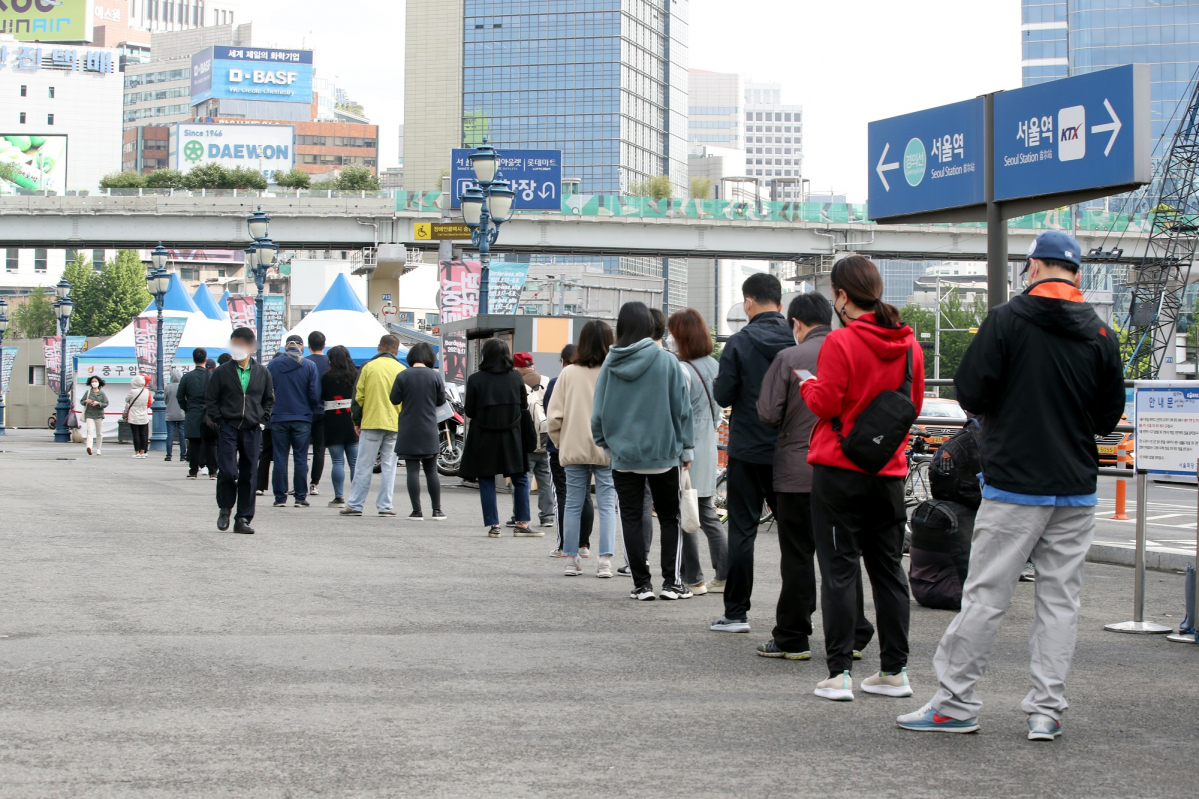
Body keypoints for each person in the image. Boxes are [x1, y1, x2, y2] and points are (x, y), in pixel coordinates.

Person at [898, 231, 1125, 739]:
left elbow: (970, 392)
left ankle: (956, 704)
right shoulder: (1100, 333)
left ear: (1034, 267)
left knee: (986, 597)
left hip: (1014, 485)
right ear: (1078, 276)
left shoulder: (1005, 320)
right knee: (1060, 601)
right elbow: (1109, 416)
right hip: (1075, 486)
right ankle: (1046, 711)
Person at [800, 255, 924, 702]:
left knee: (838, 570)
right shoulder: (910, 346)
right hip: (888, 472)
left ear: (841, 295)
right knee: (889, 571)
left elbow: (826, 404)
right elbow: (912, 404)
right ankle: (895, 671)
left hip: (839, 472)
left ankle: (839, 674)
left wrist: (807, 385)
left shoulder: (841, 342)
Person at [755, 293, 875, 661]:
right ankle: (854, 634)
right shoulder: (855, 352)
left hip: (796, 473)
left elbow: (768, 413)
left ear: (797, 324)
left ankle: (793, 638)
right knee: (844, 556)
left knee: (797, 556)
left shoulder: (789, 358)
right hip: (846, 470)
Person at [591, 301, 695, 601]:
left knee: (632, 519)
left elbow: (598, 414)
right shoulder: (667, 362)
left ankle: (641, 585)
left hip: (623, 457)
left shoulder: (610, 365)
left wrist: (606, 444)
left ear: (620, 328)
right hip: (665, 455)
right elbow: (682, 410)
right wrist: (686, 449)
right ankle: (672, 583)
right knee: (669, 518)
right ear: (650, 327)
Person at [709, 273, 794, 632]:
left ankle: (736, 613)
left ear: (748, 303)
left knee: (743, 530)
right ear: (779, 302)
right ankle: (798, 614)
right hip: (789, 451)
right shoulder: (795, 339)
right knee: (795, 534)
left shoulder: (740, 342)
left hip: (747, 449)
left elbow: (724, 395)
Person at [547, 320, 618, 578]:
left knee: (573, 503)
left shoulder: (568, 374)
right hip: (608, 448)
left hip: (574, 447)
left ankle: (572, 559)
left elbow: (554, 418)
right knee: (608, 504)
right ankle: (605, 562)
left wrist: (561, 443)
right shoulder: (615, 371)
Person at [668, 308, 728, 596]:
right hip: (709, 442)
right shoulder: (715, 366)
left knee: (686, 513)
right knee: (705, 511)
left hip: (687, 449)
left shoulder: (682, 369)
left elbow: (678, 414)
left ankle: (694, 577)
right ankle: (725, 571)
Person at [459, 338, 536, 538]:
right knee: (519, 479)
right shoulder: (515, 378)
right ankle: (522, 523)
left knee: (486, 479)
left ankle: (494, 525)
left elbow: (469, 410)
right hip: (512, 435)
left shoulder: (476, 379)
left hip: (484, 435)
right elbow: (523, 407)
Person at [205, 326, 275, 534]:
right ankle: (225, 508)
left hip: (252, 427)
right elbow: (211, 399)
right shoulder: (222, 371)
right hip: (228, 425)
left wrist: (262, 419)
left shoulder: (262, 372)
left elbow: (269, 400)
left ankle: (243, 517)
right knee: (227, 470)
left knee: (249, 473)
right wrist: (219, 419)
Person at [340, 335, 405, 517]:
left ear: (378, 348)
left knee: (364, 465)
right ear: (396, 351)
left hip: (371, 422)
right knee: (389, 466)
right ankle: (385, 506)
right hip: (394, 424)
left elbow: (358, 397)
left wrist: (356, 421)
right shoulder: (401, 369)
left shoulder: (368, 367)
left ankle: (355, 504)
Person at [545, 344, 594, 558]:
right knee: (584, 496)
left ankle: (565, 545)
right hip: (588, 446)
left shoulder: (558, 381)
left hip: (562, 448)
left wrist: (557, 443)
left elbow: (551, 416)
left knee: (564, 496)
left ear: (563, 362)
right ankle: (584, 545)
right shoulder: (595, 377)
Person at [390, 342, 448, 521]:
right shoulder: (435, 376)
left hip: (408, 427)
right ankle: (437, 510)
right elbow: (441, 401)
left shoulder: (402, 375)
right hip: (429, 427)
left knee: (412, 470)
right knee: (431, 470)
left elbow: (394, 399)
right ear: (430, 358)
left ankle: (416, 511)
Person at [267, 335, 322, 508]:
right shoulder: (310, 366)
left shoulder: (273, 365)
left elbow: (268, 390)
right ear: (301, 347)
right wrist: (311, 409)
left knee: (280, 457)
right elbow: (314, 393)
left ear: (285, 348)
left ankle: (280, 497)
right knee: (300, 457)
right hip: (302, 417)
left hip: (279, 416)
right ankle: (300, 497)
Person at [515, 351, 555, 529]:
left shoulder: (516, 383)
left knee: (524, 479)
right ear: (532, 365)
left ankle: (520, 515)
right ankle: (547, 516)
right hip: (547, 439)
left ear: (517, 368)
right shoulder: (547, 381)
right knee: (545, 479)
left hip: (526, 439)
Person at [321, 345, 360, 508]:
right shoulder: (356, 375)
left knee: (337, 461)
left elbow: (322, 396)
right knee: (354, 462)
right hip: (352, 421)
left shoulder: (326, 377)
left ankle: (338, 497)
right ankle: (356, 497)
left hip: (333, 420)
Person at [177, 348, 217, 480]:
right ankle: (213, 471)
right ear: (205, 360)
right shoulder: (212, 376)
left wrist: (187, 408)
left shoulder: (187, 377)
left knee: (194, 443)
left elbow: (180, 396)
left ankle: (193, 471)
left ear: (193, 359)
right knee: (211, 443)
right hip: (209, 414)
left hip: (193, 412)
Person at [306, 331, 330, 497]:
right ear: (324, 344)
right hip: (325, 409)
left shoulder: (304, 362)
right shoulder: (331, 362)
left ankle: (299, 482)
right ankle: (315, 483)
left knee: (301, 449)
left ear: (308, 345)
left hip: (306, 410)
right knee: (319, 449)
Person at [124, 374, 152, 459]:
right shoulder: (147, 391)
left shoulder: (132, 391)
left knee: (135, 434)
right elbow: (149, 402)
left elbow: (126, 399)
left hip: (134, 415)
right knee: (143, 434)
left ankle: (137, 452)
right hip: (143, 414)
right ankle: (143, 452)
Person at [81, 375, 109, 456]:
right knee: (90, 431)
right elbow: (82, 401)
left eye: (95, 381)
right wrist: (86, 401)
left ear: (99, 383)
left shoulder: (102, 393)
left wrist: (98, 403)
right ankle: (89, 447)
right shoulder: (88, 392)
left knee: (99, 433)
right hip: (89, 414)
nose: (94, 383)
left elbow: (106, 403)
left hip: (99, 414)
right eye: (92, 382)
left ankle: (98, 449)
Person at [164, 367, 187, 462]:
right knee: (182, 435)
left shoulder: (168, 387)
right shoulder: (183, 386)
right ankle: (183, 455)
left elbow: (165, 400)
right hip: (181, 414)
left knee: (170, 435)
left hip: (170, 414)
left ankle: (169, 455)